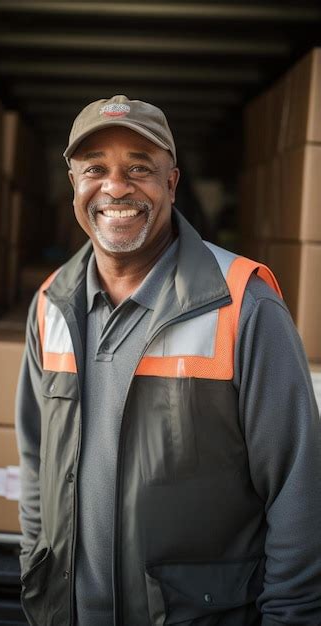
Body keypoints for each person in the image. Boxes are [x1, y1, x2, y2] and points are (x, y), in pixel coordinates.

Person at [16, 95, 321, 626]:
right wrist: (34, 571)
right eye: (96, 169)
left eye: (139, 167)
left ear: (173, 183)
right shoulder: (50, 304)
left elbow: (299, 488)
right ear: (73, 185)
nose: (115, 187)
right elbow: (35, 462)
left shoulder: (243, 303)